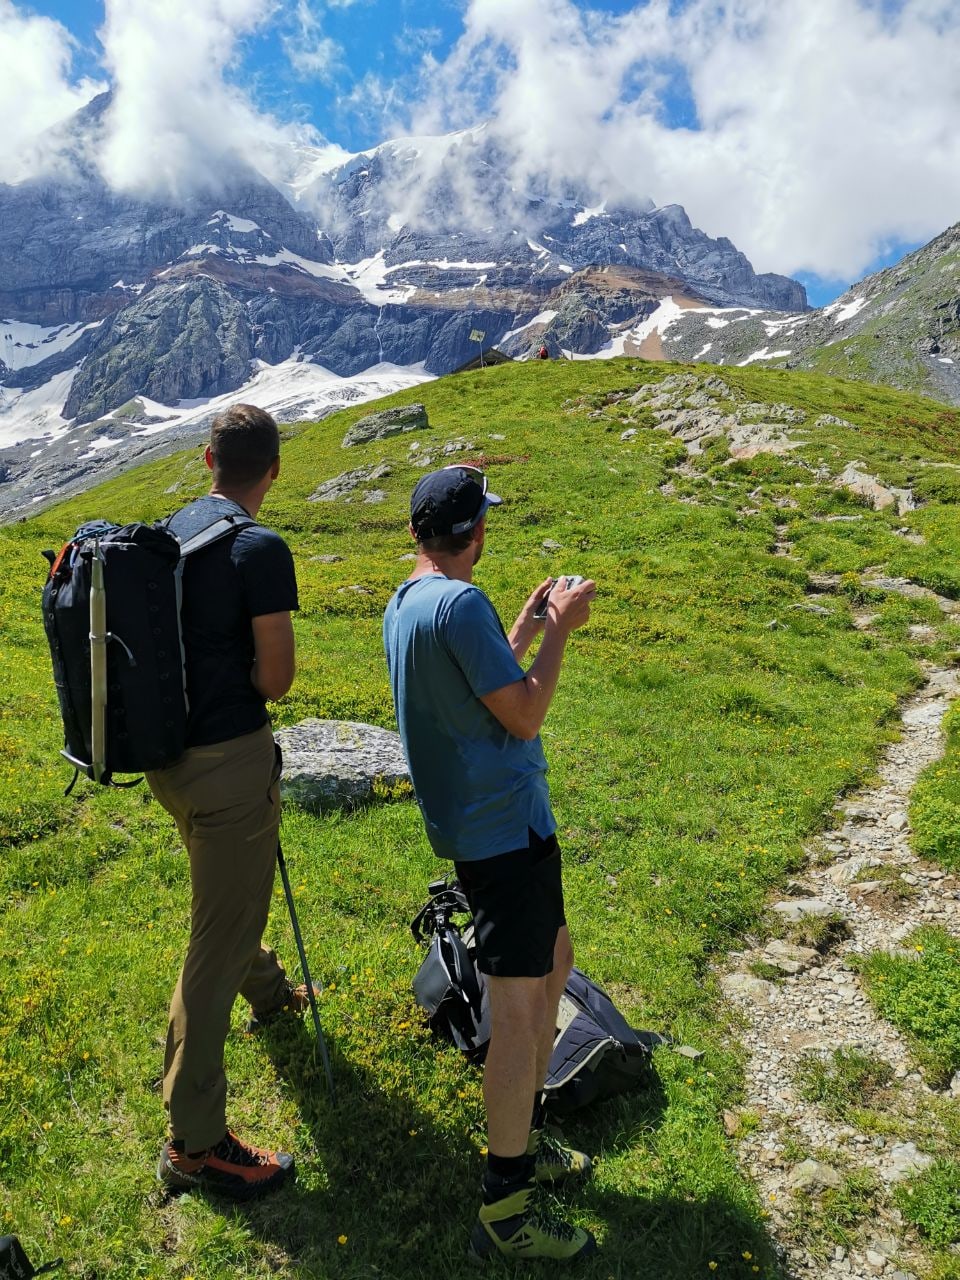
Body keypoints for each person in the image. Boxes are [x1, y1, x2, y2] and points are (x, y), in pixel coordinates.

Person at [383, 465, 598, 1262]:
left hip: (479, 828)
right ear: (475, 533)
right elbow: (525, 712)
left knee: (553, 965)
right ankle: (506, 1206)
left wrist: (525, 630)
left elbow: (481, 685)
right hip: (504, 831)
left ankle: (527, 1137)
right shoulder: (458, 604)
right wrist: (565, 629)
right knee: (518, 1011)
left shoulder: (408, 604)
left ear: (416, 533)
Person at [150, 404, 309, 1201]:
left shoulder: (168, 531)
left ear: (208, 459)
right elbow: (276, 679)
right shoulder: (258, 547)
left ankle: (273, 992)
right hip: (228, 763)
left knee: (228, 901)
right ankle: (195, 1141)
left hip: (163, 760)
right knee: (215, 939)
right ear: (273, 471)